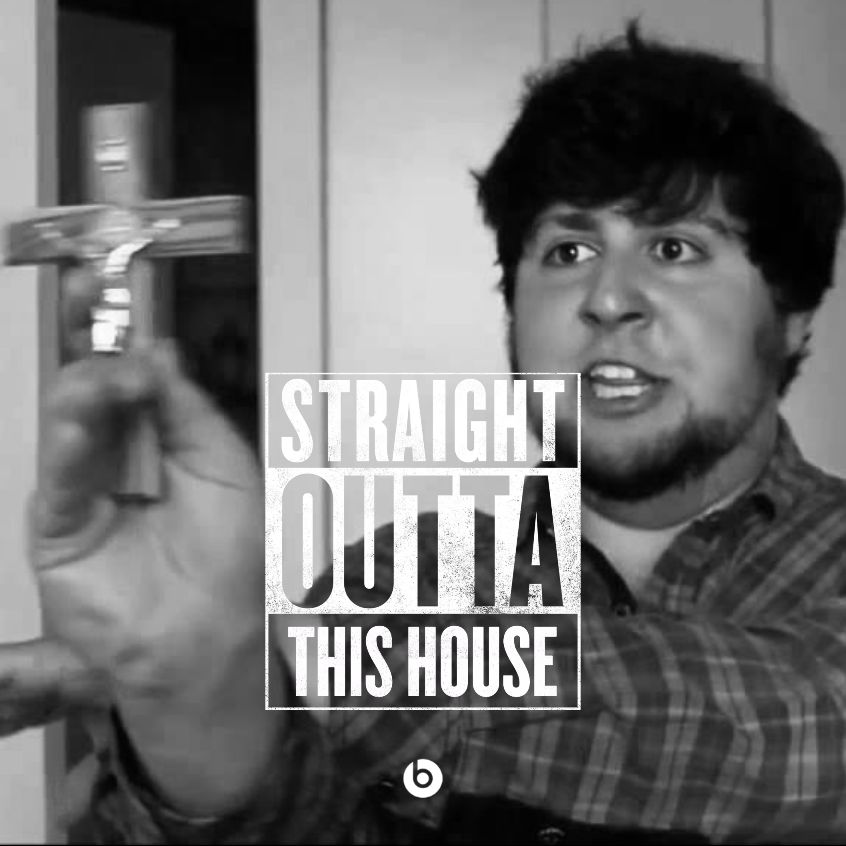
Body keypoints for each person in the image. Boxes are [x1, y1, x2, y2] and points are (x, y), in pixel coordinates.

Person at [12, 22, 846, 843]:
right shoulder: (401, 577)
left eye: (674, 247)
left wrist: (280, 662)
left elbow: (807, 728)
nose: (607, 298)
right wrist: (195, 709)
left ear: (794, 316)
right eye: (566, 251)